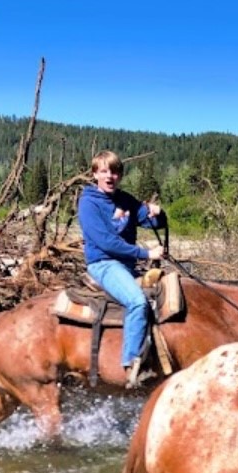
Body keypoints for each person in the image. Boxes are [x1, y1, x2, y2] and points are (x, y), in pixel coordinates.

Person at [77, 150, 165, 388]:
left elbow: (148, 219)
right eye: (104, 171)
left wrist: (158, 213)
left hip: (127, 264)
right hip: (104, 263)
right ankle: (131, 365)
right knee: (137, 301)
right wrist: (146, 254)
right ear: (95, 174)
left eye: (114, 171)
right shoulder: (88, 203)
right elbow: (106, 242)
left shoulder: (126, 199)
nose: (110, 176)